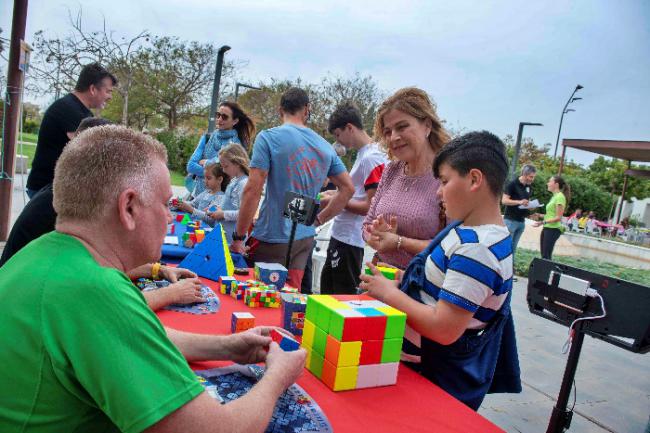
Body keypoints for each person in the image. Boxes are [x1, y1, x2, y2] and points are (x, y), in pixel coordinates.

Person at [0, 125, 306, 432]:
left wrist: (228, 347)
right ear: (129, 207)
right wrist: (277, 377)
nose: (171, 218)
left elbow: (141, 337)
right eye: (165, 204)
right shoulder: (96, 290)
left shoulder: (41, 255)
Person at [360, 131, 521, 410]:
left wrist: (389, 294)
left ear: (474, 179)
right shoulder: (465, 229)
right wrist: (402, 279)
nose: (438, 191)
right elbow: (445, 284)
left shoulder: (478, 250)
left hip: (431, 379)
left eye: (445, 181)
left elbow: (444, 328)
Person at [232, 87, 354, 288]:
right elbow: (348, 189)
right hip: (303, 238)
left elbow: (252, 190)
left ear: (281, 110)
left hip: (271, 236)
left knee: (261, 299)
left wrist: (238, 237)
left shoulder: (268, 137)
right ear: (307, 110)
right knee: (290, 302)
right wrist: (318, 220)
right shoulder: (324, 146)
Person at [362, 87, 449, 270]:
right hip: (380, 281)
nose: (394, 137)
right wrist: (376, 234)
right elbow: (367, 225)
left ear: (427, 125)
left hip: (420, 290)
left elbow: (452, 248)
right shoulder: (391, 171)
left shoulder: (448, 176)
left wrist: (399, 242)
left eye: (402, 127)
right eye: (387, 132)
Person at [319, 102, 388, 294]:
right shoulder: (363, 155)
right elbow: (354, 193)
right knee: (327, 293)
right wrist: (334, 195)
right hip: (342, 235)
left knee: (340, 298)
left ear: (350, 127)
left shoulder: (372, 158)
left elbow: (371, 206)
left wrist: (338, 201)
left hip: (350, 240)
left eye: (338, 135)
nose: (338, 141)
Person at [26, 63, 116, 198]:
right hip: (46, 190)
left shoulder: (81, 111)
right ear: (92, 89)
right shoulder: (69, 109)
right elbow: (93, 151)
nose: (110, 97)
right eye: (108, 91)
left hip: (56, 188)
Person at [186, 101, 255, 197]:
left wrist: (206, 163)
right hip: (196, 195)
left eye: (224, 117)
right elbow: (190, 166)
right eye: (218, 115)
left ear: (235, 121)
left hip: (220, 200)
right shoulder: (207, 137)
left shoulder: (237, 146)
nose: (219, 119)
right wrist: (214, 171)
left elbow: (227, 174)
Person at [207, 143, 250, 243]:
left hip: (233, 239)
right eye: (222, 166)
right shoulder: (234, 180)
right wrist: (216, 209)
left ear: (237, 163)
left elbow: (244, 214)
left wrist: (223, 214)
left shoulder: (244, 183)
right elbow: (230, 205)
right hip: (224, 234)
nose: (223, 170)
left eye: (226, 166)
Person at [532, 175, 571, 260]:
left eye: (550, 181)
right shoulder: (554, 197)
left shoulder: (560, 197)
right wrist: (539, 215)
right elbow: (551, 215)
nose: (547, 183)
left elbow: (558, 217)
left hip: (553, 229)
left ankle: (547, 272)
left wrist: (542, 222)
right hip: (547, 228)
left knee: (546, 256)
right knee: (544, 255)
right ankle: (544, 272)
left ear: (556, 184)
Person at [502, 164, 536, 253]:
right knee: (506, 248)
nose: (532, 179)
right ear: (524, 174)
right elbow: (504, 201)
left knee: (513, 249)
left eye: (533, 177)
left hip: (521, 222)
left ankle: (511, 267)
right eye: (531, 177)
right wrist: (519, 202)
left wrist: (531, 206)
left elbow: (526, 201)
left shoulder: (529, 186)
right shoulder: (512, 184)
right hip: (510, 221)